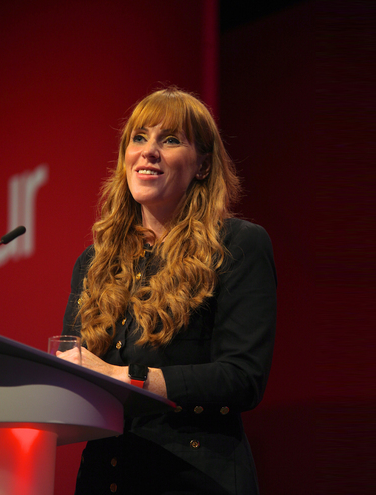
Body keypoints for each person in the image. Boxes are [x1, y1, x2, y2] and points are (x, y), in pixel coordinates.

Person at [60, 87, 276, 495]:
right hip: (104, 478)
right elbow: (78, 365)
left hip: (193, 477)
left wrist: (129, 378)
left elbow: (242, 378)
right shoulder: (93, 261)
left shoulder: (238, 244)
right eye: (139, 138)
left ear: (203, 166)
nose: (149, 151)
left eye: (170, 140)